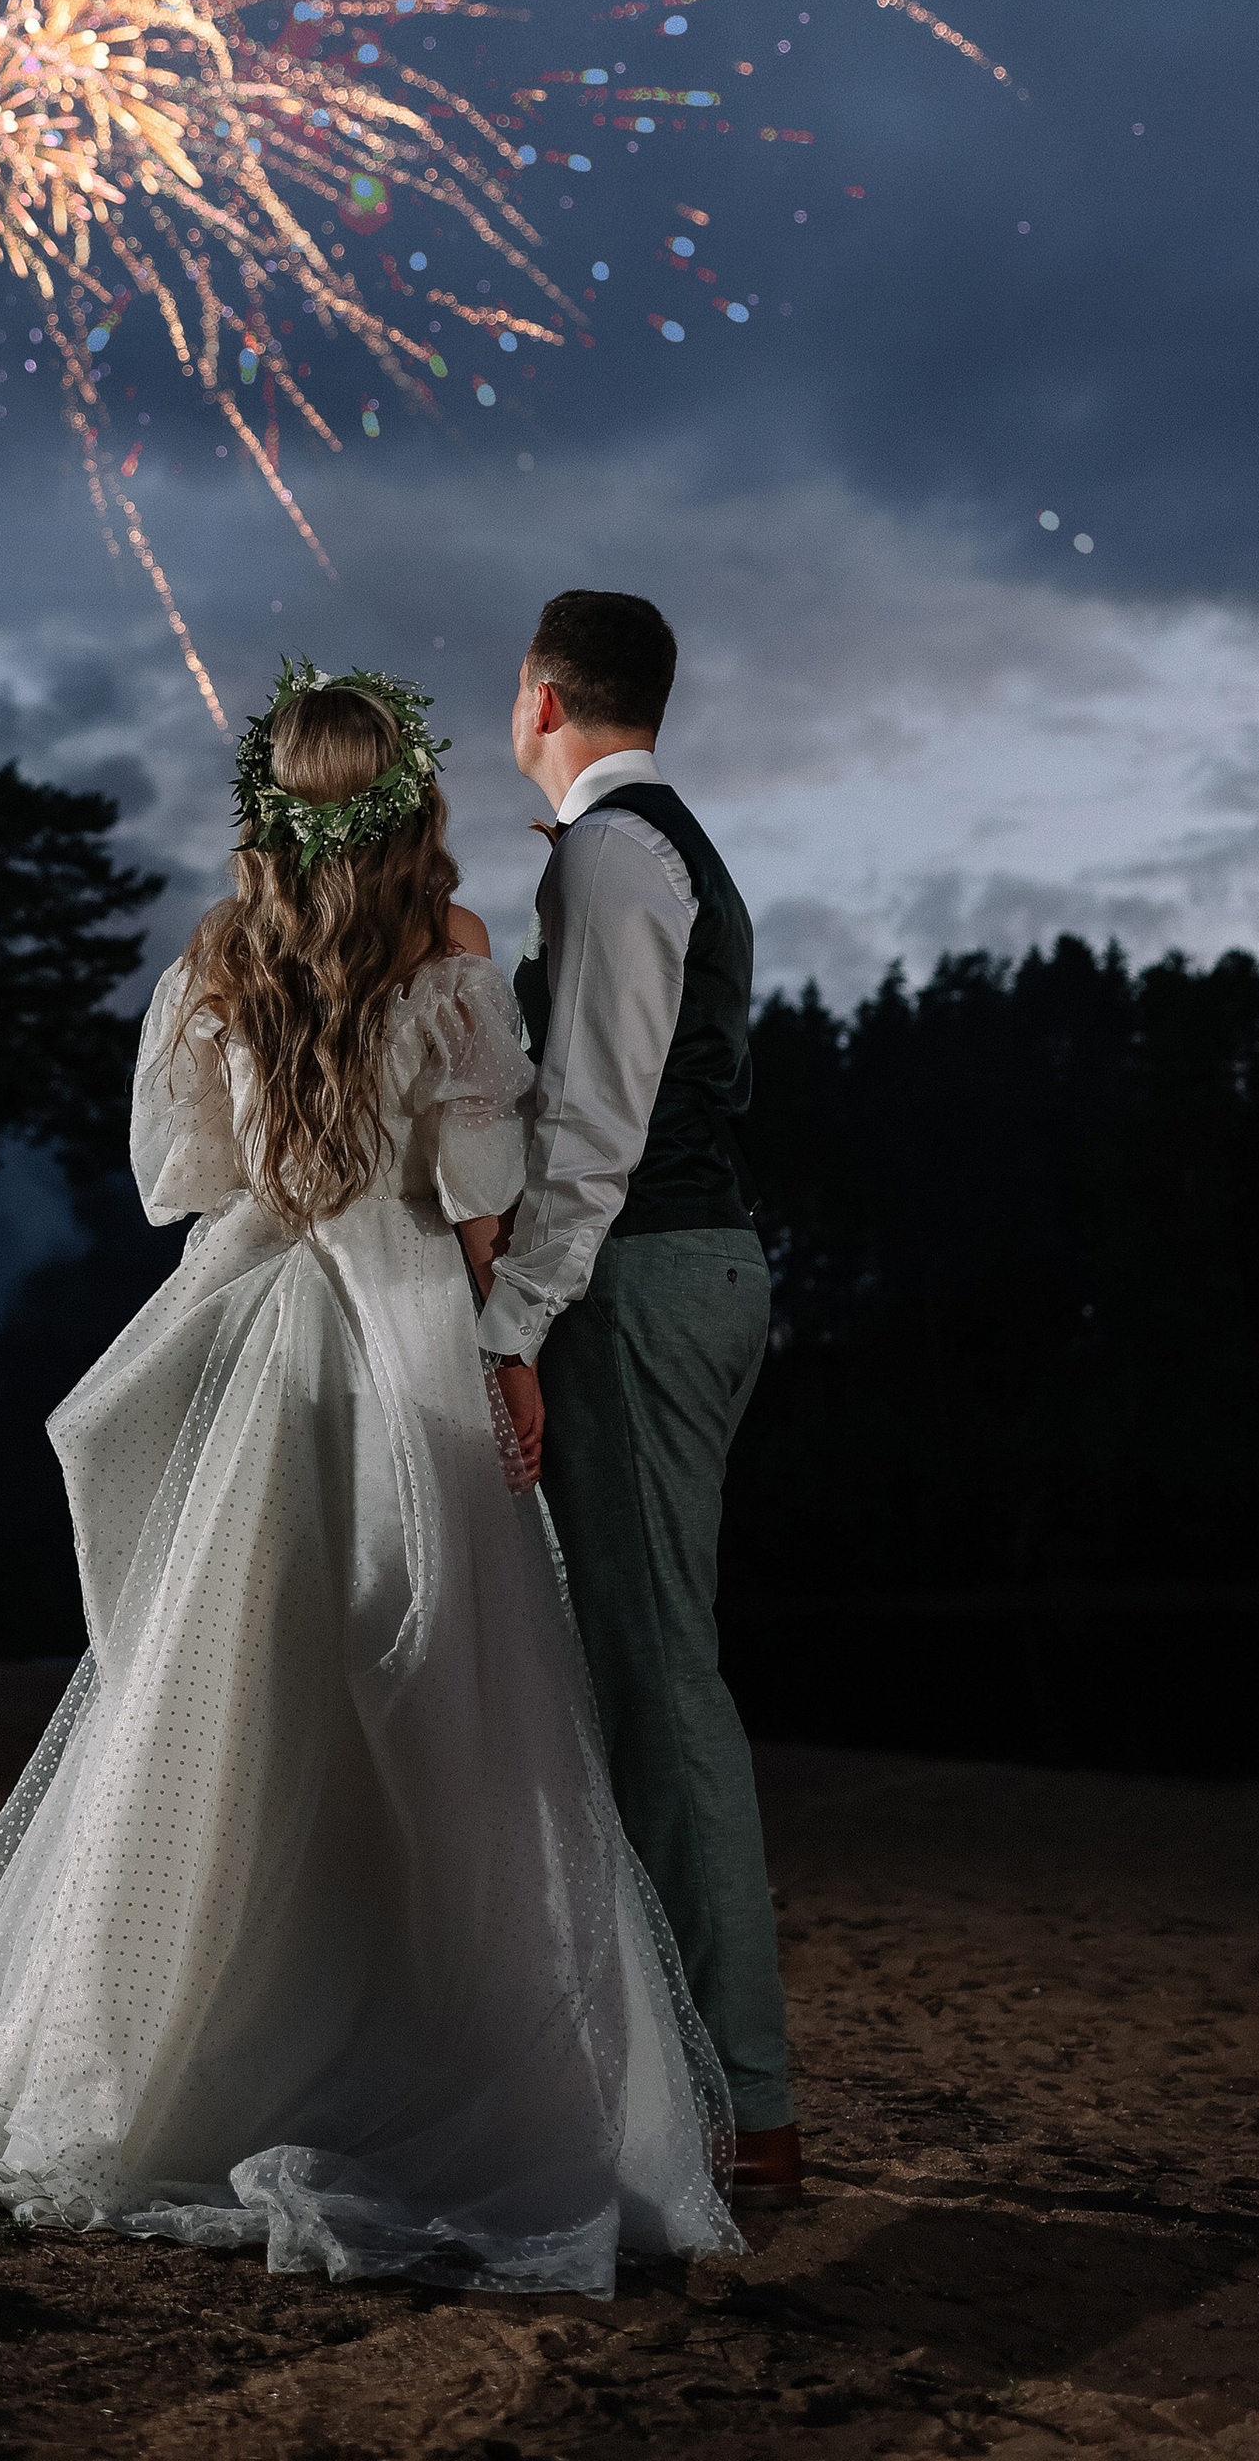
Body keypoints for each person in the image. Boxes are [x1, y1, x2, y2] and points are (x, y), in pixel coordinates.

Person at [0, 660, 741, 2290]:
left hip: (263, 1334)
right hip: (409, 1332)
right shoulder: (452, 957)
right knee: (437, 1705)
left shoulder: (219, 962)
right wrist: (511, 1349)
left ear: (270, 803)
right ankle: (408, 2048)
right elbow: (478, 1186)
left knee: (231, 1696)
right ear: (411, 792)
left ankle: (183, 2053)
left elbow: (186, 1177)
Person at [478, 588, 800, 2204]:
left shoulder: (607, 857)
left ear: (543, 701)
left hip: (646, 1278)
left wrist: (514, 1321)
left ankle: (743, 2111)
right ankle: (684, 2078)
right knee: (641, 1672)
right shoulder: (670, 846)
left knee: (661, 1680)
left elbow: (593, 1128)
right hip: (695, 1269)